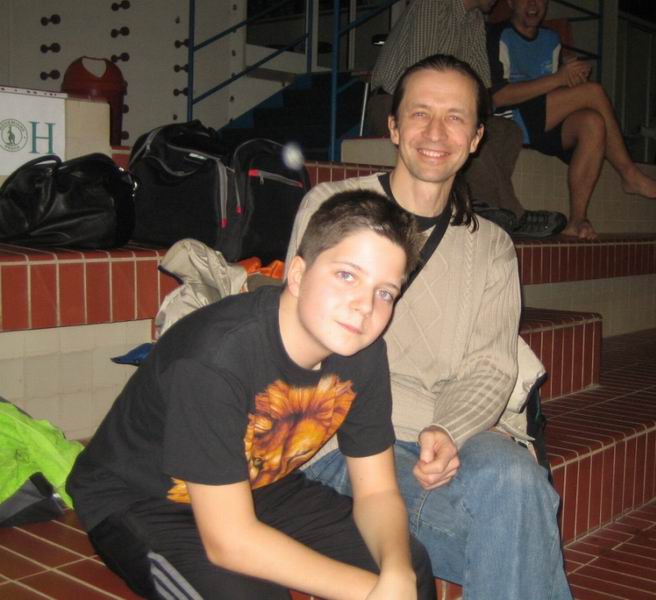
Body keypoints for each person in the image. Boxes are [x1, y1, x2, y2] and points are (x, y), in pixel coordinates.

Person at [287, 54, 572, 600]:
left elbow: (491, 365)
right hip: (347, 440)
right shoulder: (333, 208)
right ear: (394, 127)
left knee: (517, 479)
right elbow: (309, 339)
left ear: (476, 138)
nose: (436, 133)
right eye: (420, 114)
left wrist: (447, 430)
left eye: (455, 117)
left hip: (451, 429)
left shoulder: (491, 245)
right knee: (517, 532)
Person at [67, 191, 437, 600]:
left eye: (385, 292)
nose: (364, 306)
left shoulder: (362, 353)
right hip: (145, 499)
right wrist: (374, 592)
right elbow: (229, 541)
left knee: (412, 566)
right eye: (347, 275)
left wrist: (397, 574)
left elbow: (377, 492)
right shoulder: (215, 357)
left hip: (257, 485)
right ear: (298, 275)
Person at [365, 0, 566, 238]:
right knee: (463, 127)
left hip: (445, 104)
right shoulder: (433, 5)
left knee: (505, 130)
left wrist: (475, 112)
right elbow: (424, 77)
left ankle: (480, 205)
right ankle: (514, 214)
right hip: (395, 103)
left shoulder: (475, 20)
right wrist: (464, 115)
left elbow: (481, 83)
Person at [487, 0, 656, 240]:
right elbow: (498, 96)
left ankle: (577, 220)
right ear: (511, 2)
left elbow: (554, 91)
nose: (533, 4)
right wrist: (560, 79)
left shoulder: (551, 39)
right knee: (593, 92)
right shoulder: (498, 34)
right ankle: (629, 174)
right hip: (511, 119)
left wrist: (571, 80)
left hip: (543, 120)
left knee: (592, 122)